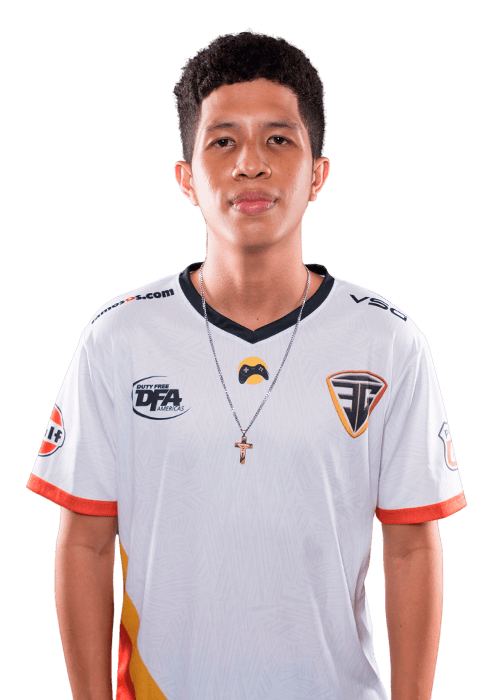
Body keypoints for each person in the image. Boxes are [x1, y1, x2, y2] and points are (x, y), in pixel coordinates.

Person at [26, 30, 466, 700]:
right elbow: (85, 541)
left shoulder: (389, 342)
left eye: (278, 139)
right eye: (223, 141)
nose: (251, 164)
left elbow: (410, 546)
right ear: (186, 179)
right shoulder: (118, 337)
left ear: (317, 174)